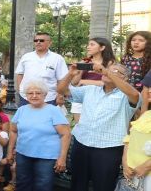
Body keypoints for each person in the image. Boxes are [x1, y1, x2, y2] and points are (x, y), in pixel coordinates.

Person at [57, 50, 141, 191]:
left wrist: (108, 73)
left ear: (125, 78)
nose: (108, 72)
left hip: (108, 148)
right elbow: (62, 90)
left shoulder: (126, 96)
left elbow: (134, 95)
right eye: (109, 70)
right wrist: (70, 74)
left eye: (116, 72)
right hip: (81, 143)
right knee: (78, 184)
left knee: (103, 185)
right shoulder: (90, 90)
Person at [5, 81, 70, 191]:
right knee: (22, 184)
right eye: (30, 93)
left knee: (43, 186)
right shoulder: (21, 110)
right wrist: (10, 151)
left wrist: (62, 158)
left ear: (45, 95)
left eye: (38, 93)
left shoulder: (53, 110)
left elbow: (65, 134)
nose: (34, 96)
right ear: (26, 95)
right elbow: (13, 131)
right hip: (23, 154)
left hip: (47, 157)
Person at [15, 32, 68, 107]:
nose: (38, 42)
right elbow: (20, 73)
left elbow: (62, 79)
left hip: (49, 98)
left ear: (49, 43)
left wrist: (60, 95)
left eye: (41, 40)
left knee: (46, 119)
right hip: (26, 98)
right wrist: (21, 89)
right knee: (26, 118)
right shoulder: (26, 57)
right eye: (36, 40)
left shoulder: (57, 58)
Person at [69, 37, 114, 122]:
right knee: (79, 124)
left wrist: (84, 81)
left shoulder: (110, 63)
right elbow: (74, 83)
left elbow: (111, 83)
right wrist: (80, 69)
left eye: (92, 44)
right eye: (88, 44)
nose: (88, 47)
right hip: (81, 96)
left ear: (102, 47)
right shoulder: (85, 61)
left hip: (100, 97)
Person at [121, 108, 151, 189]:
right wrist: (125, 163)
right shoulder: (146, 114)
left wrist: (146, 166)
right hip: (133, 175)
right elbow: (129, 139)